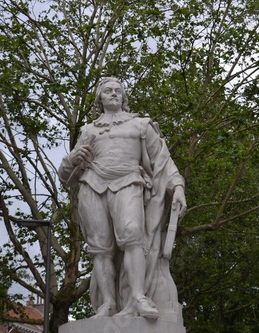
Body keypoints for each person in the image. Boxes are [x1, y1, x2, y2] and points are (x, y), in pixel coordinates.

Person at [58, 77, 186, 320]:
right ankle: (107, 304)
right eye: (108, 90)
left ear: (124, 96)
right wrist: (73, 157)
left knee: (132, 235)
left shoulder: (140, 125)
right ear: (99, 98)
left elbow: (163, 161)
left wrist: (177, 186)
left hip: (129, 182)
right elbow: (65, 177)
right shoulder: (88, 131)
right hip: (92, 186)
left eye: (118, 90)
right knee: (100, 248)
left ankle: (138, 297)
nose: (114, 93)